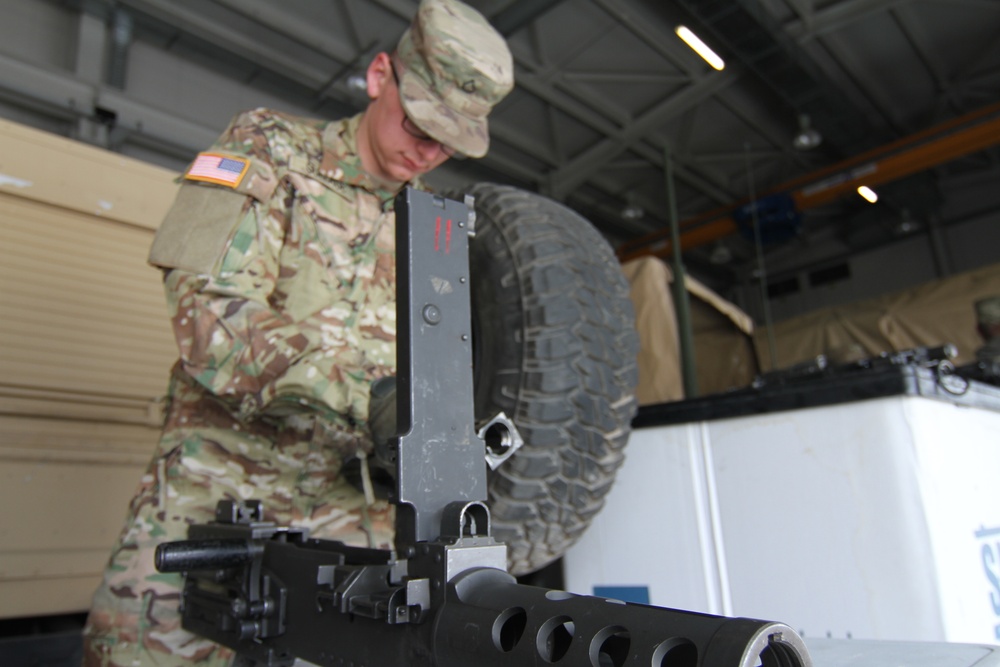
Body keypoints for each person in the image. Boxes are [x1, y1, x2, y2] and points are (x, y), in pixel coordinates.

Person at [81, 0, 513, 664]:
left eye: (449, 142)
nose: (429, 150)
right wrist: (368, 396)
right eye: (420, 122)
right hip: (221, 493)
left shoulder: (437, 230)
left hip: (357, 523)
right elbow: (208, 313)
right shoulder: (269, 148)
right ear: (379, 76)